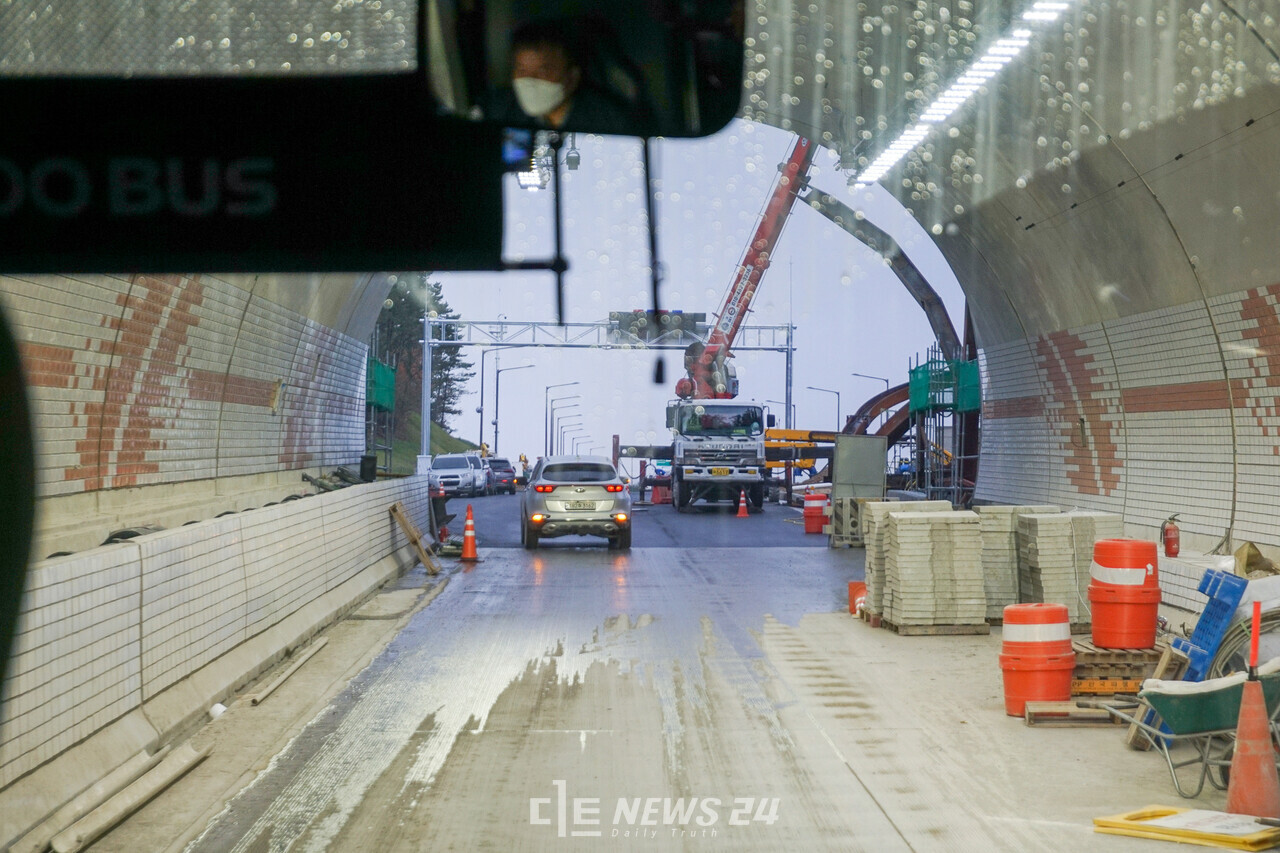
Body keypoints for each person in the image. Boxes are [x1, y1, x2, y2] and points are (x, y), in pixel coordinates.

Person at [484, 20, 639, 136]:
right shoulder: (498, 112)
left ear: (572, 77)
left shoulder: (612, 123)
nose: (529, 81)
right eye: (522, 71)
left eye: (543, 72)